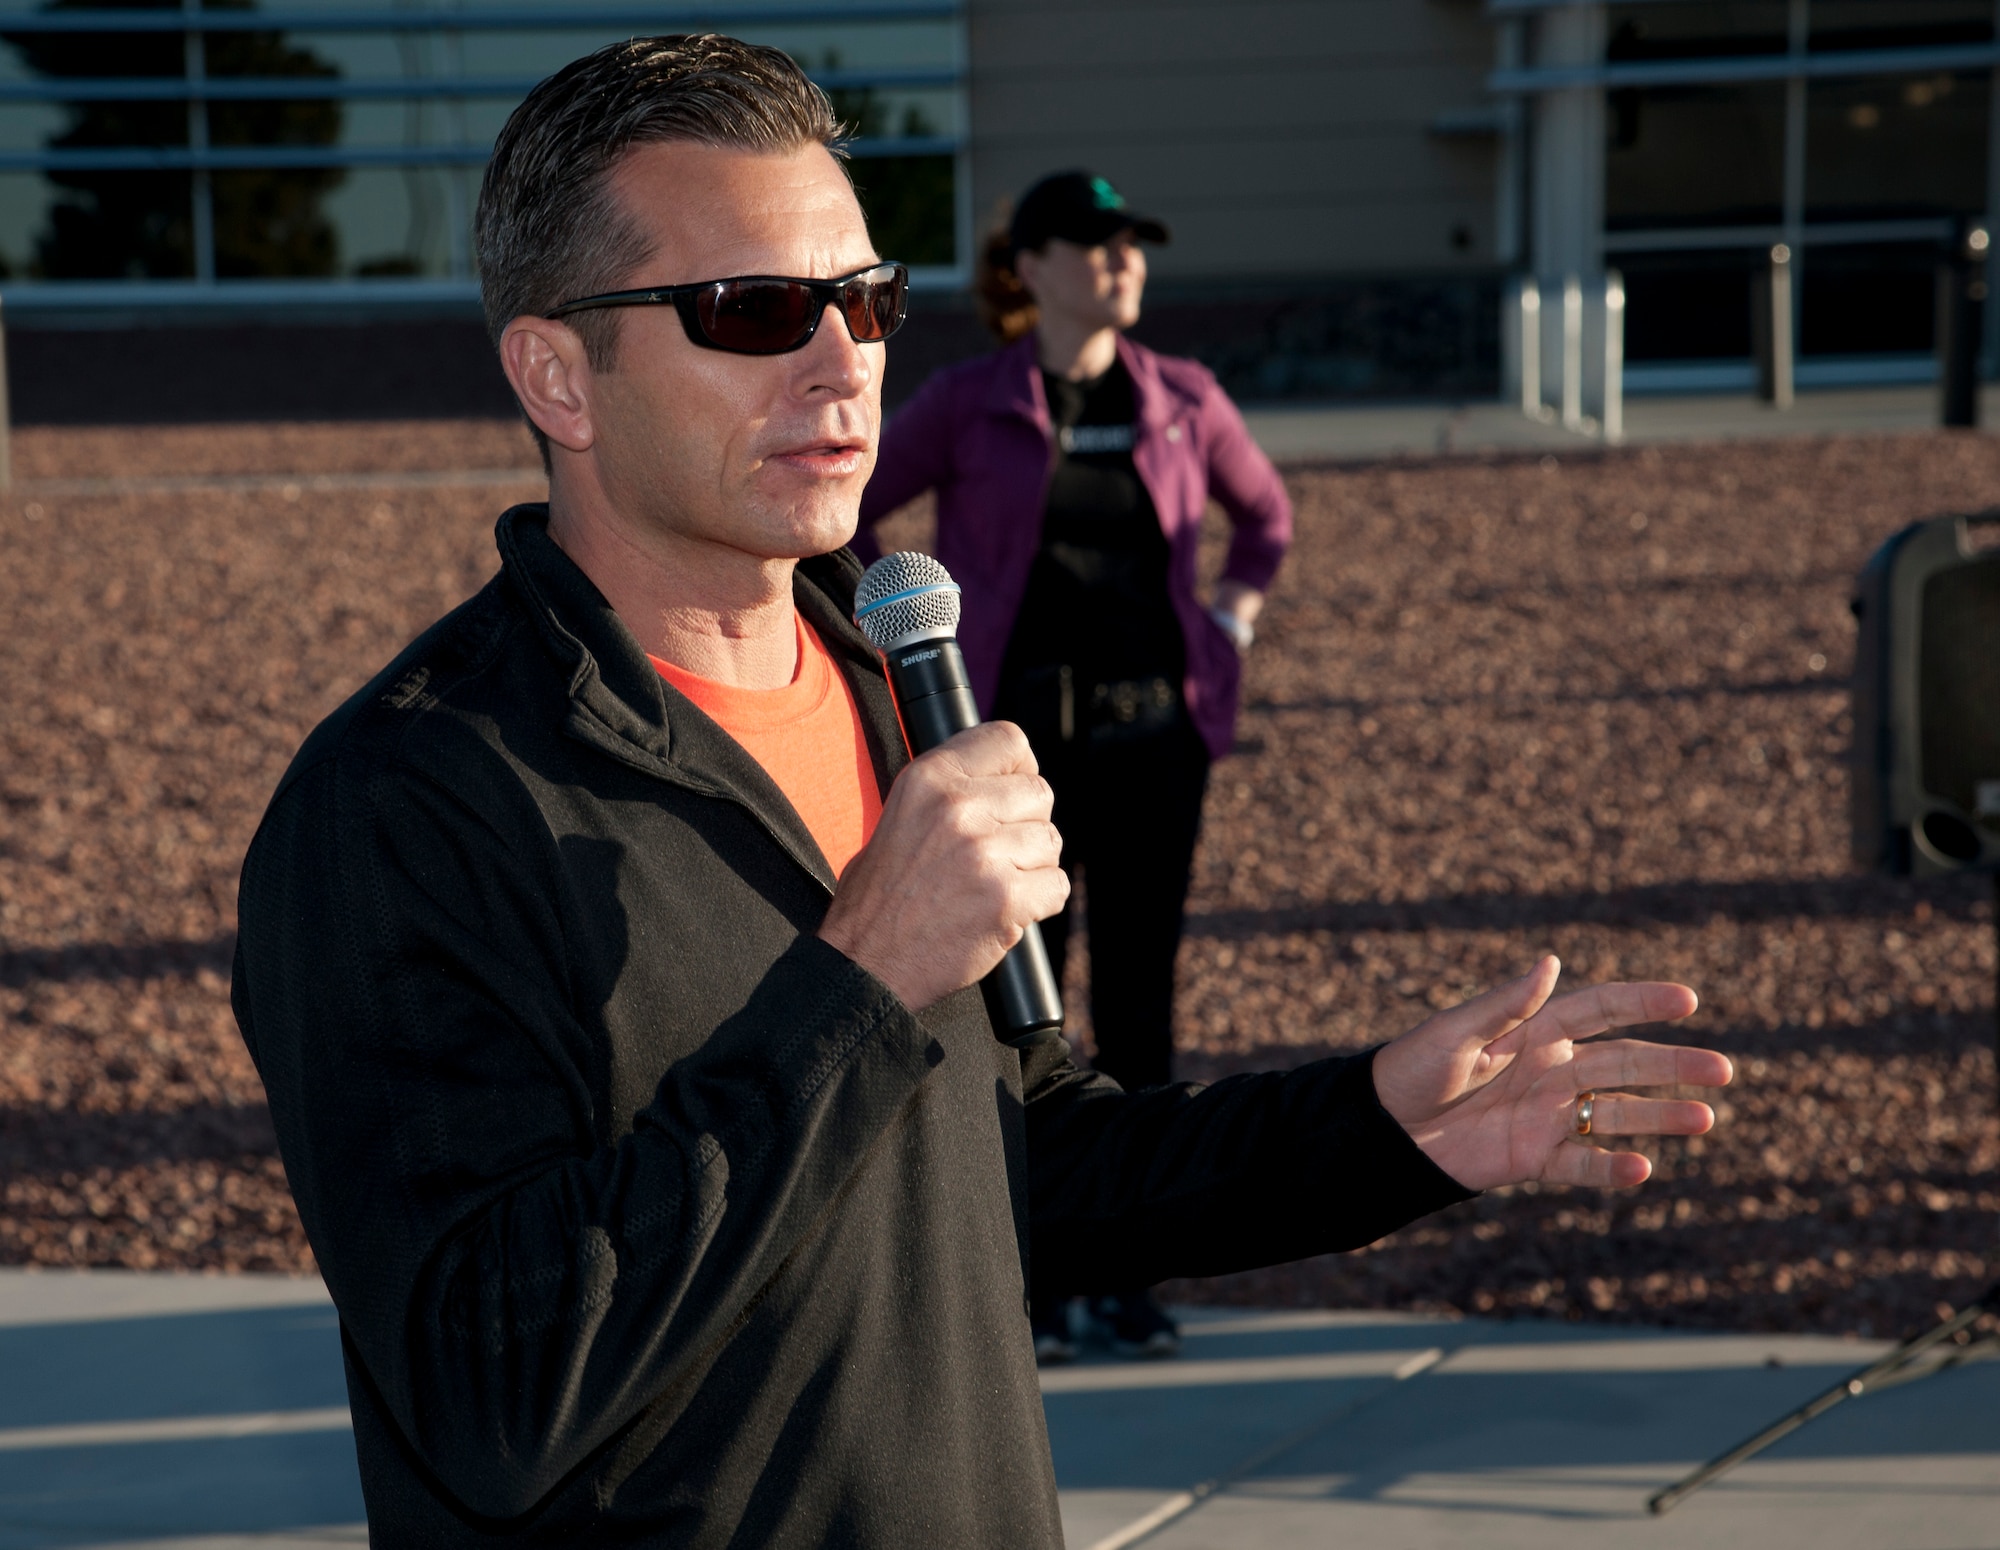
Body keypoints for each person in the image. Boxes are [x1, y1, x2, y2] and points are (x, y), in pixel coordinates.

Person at [231, 35, 1734, 1547]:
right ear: (559, 374)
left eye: (866, 301)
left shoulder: (889, 683)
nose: (842, 363)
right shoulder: (401, 806)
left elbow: (1022, 1158)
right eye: (753, 310)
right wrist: (860, 978)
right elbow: (491, 1386)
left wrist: (1378, 1127)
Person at [853, 171, 1289, 1361]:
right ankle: (1036, 1283)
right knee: (1016, 1014)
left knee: (1139, 1015)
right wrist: (902, 646)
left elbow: (1265, 519)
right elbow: (854, 506)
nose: (1120, 261)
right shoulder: (966, 400)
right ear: (1031, 265)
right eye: (1095, 244)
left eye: (1130, 243)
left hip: (1153, 747)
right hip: (1014, 753)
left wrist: (1229, 623)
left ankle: (1129, 1281)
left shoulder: (1183, 399)